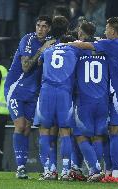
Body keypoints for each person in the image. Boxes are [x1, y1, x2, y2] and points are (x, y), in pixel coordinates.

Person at [67, 17, 118, 184]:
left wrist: (66, 44)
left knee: (115, 133)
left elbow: (83, 45)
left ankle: (115, 174)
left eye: (107, 29)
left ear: (112, 31)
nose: (104, 31)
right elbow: (104, 42)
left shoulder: (110, 45)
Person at [4, 15, 53, 179]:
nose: (40, 29)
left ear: (49, 29)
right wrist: (42, 49)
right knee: (20, 125)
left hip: (34, 91)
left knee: (27, 129)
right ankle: (20, 168)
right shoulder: (28, 40)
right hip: (16, 87)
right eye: (38, 25)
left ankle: (23, 167)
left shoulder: (52, 41)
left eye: (45, 26)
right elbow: (25, 67)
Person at [37, 16, 80, 181]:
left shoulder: (48, 50)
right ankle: (65, 171)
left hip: (47, 92)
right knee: (65, 132)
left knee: (45, 131)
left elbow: (40, 63)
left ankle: (49, 170)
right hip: (64, 93)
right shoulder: (75, 49)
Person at [71, 21, 109, 182]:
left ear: (81, 32)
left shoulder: (77, 48)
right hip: (103, 99)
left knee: (80, 136)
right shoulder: (104, 46)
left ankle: (94, 169)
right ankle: (99, 169)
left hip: (85, 100)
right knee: (98, 136)